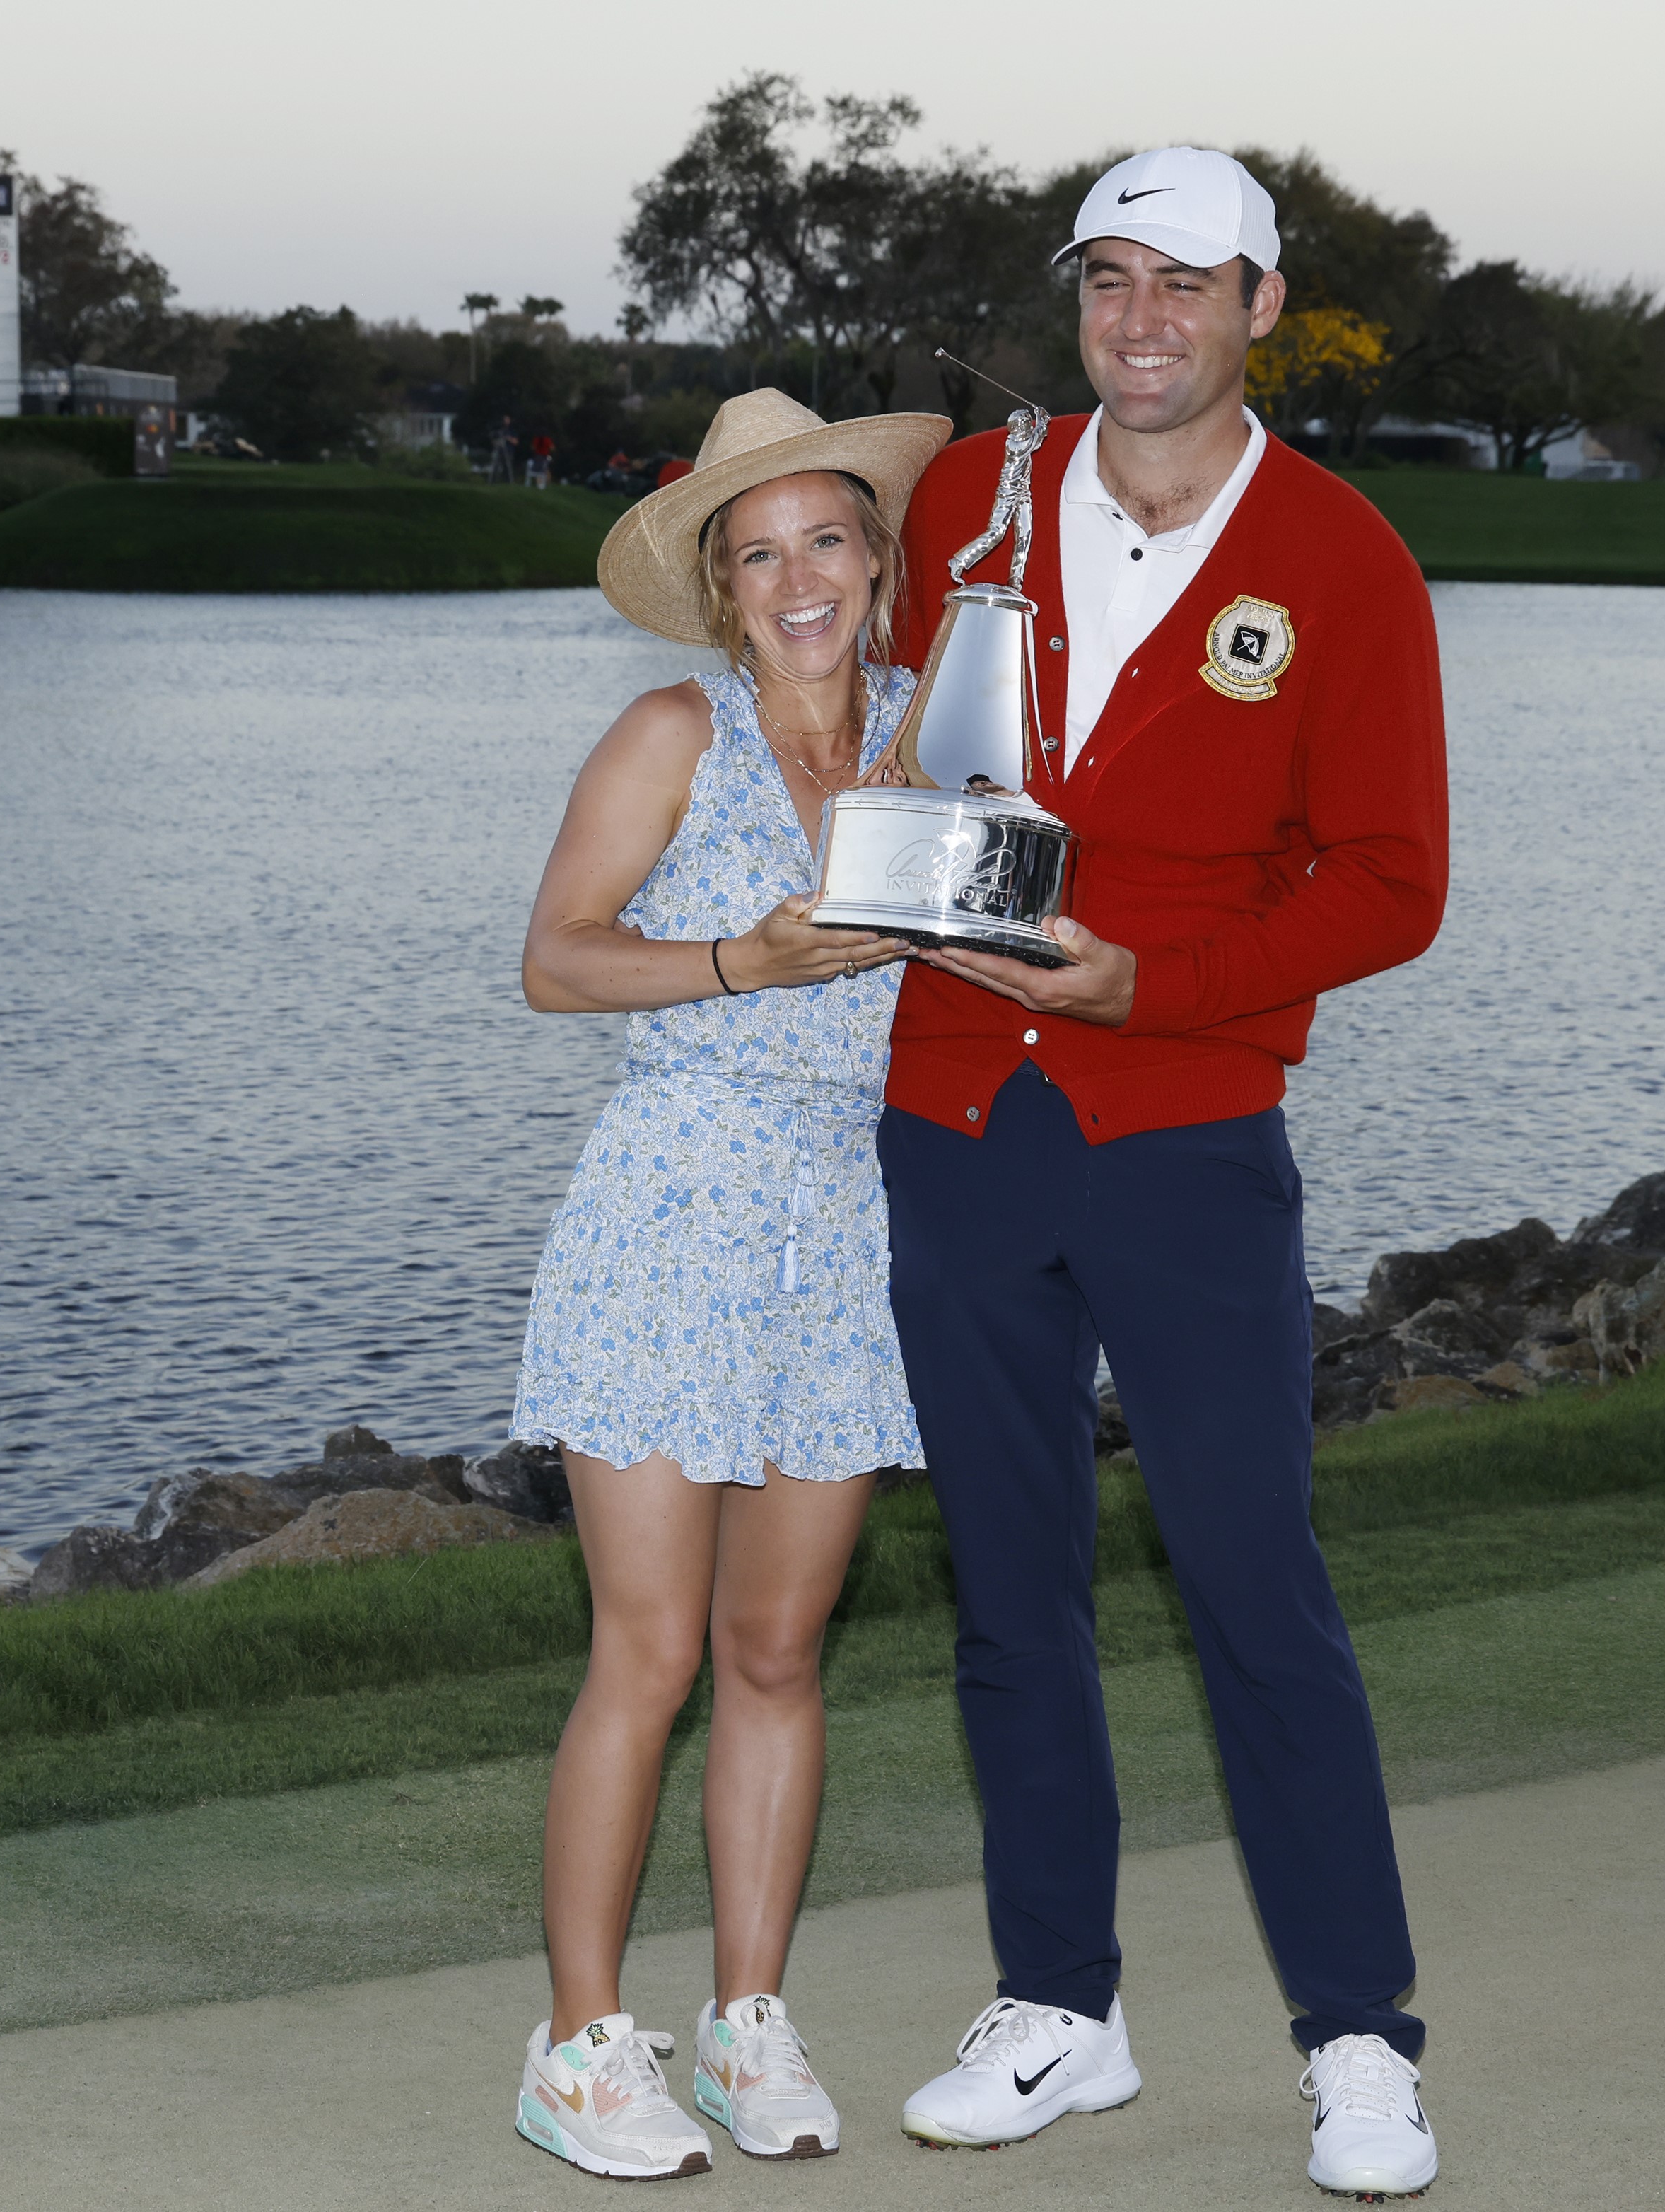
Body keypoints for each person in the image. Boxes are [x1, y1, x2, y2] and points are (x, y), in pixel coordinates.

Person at [875, 147, 1451, 2199]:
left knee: (1249, 1590)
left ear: (1257, 307)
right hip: (949, 1115)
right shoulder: (972, 496)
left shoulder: (1341, 558)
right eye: (1107, 279)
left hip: (1183, 1131)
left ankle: (1358, 2040)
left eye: (1181, 285)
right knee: (1008, 1596)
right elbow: (815, 619)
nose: (1139, 319)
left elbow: (1391, 886)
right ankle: (1060, 2007)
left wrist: (1156, 981)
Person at [508, 386, 953, 2181]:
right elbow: (553, 964)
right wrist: (741, 960)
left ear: (876, 558)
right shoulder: (664, 735)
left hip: (847, 1226)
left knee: (778, 1648)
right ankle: (578, 2044)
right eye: (755, 552)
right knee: (652, 1647)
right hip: (670, 1209)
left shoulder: (943, 735)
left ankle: (743, 2024)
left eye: (825, 540)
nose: (796, 578)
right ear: (719, 586)